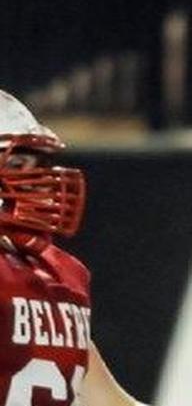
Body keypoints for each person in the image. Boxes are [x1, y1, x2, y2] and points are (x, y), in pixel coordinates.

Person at [0, 90, 149, 406]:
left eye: (37, 163)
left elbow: (107, 401)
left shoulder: (59, 271)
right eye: (17, 163)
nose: (38, 180)